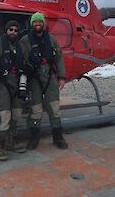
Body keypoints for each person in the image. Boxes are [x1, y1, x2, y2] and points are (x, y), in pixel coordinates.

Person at [20, 12, 68, 150]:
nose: (38, 24)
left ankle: (58, 137)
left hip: (50, 77)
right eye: (35, 22)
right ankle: (34, 138)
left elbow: (58, 58)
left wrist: (61, 77)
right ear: (32, 24)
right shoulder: (25, 41)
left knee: (54, 107)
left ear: (43, 23)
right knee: (36, 109)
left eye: (40, 21)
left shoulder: (51, 40)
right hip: (34, 78)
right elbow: (21, 60)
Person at [0, 20, 26, 161]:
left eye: (16, 30)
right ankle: (0, 145)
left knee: (16, 114)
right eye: (10, 29)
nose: (13, 32)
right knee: (4, 114)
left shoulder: (21, 46)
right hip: (3, 84)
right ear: (6, 30)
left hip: (17, 83)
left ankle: (11, 140)